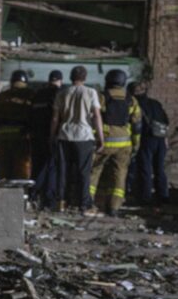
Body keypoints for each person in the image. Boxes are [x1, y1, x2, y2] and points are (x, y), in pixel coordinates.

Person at [50, 66, 104, 214]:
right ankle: (84, 204)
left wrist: (52, 136)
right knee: (83, 172)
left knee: (63, 170)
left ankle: (61, 202)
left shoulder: (62, 93)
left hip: (64, 135)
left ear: (71, 77)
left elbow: (55, 118)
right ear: (85, 78)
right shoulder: (91, 92)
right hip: (84, 137)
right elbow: (97, 116)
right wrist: (101, 138)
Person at [88, 69, 142, 216]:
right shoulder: (131, 100)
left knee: (94, 171)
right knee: (119, 175)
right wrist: (136, 144)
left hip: (103, 142)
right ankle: (113, 207)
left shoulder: (101, 97)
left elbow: (93, 117)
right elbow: (137, 125)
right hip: (124, 144)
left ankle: (88, 202)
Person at [0, 69, 34, 179]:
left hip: (3, 137)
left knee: (4, 168)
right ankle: (20, 187)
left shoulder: (2, 96)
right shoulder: (31, 96)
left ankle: (4, 184)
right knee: (21, 168)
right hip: (22, 137)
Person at [133, 82, 170, 209]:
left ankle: (145, 197)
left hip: (146, 139)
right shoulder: (156, 103)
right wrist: (165, 138)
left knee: (146, 168)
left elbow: (135, 123)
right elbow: (165, 120)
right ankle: (163, 195)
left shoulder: (136, 104)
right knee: (160, 168)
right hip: (160, 138)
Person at [30, 70, 63, 209]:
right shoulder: (58, 94)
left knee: (37, 165)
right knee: (51, 167)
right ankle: (47, 200)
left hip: (35, 135)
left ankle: (33, 195)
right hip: (50, 135)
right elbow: (56, 117)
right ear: (60, 81)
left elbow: (30, 114)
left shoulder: (38, 94)